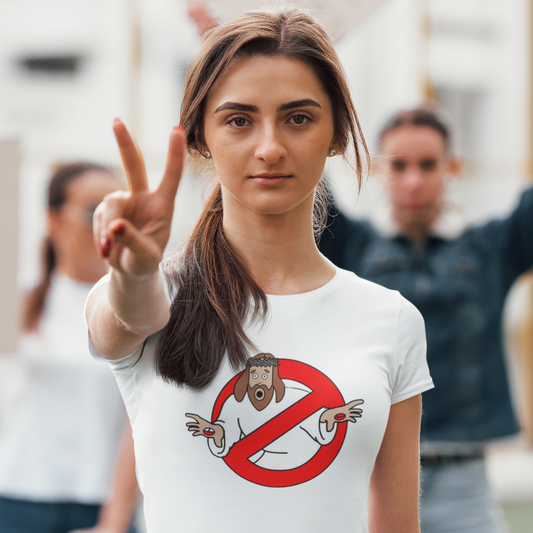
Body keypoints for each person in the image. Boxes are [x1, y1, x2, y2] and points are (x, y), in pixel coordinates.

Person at [86, 8, 433, 532]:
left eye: (298, 117)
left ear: (336, 133)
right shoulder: (152, 294)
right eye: (239, 120)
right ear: (201, 136)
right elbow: (127, 318)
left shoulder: (392, 320)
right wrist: (135, 272)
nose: (269, 148)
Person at [319, 107, 533, 533]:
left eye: (428, 165)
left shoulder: (490, 248)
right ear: (378, 169)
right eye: (398, 166)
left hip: (462, 476)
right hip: (370, 473)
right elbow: (305, 175)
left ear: (451, 167)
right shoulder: (351, 248)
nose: (413, 179)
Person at [0, 163, 139, 533]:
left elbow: (141, 422)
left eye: (119, 210)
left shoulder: (140, 310)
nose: (108, 224)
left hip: (102, 508)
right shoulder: (18, 301)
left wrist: (115, 519)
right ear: (53, 219)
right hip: (15, 499)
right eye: (94, 210)